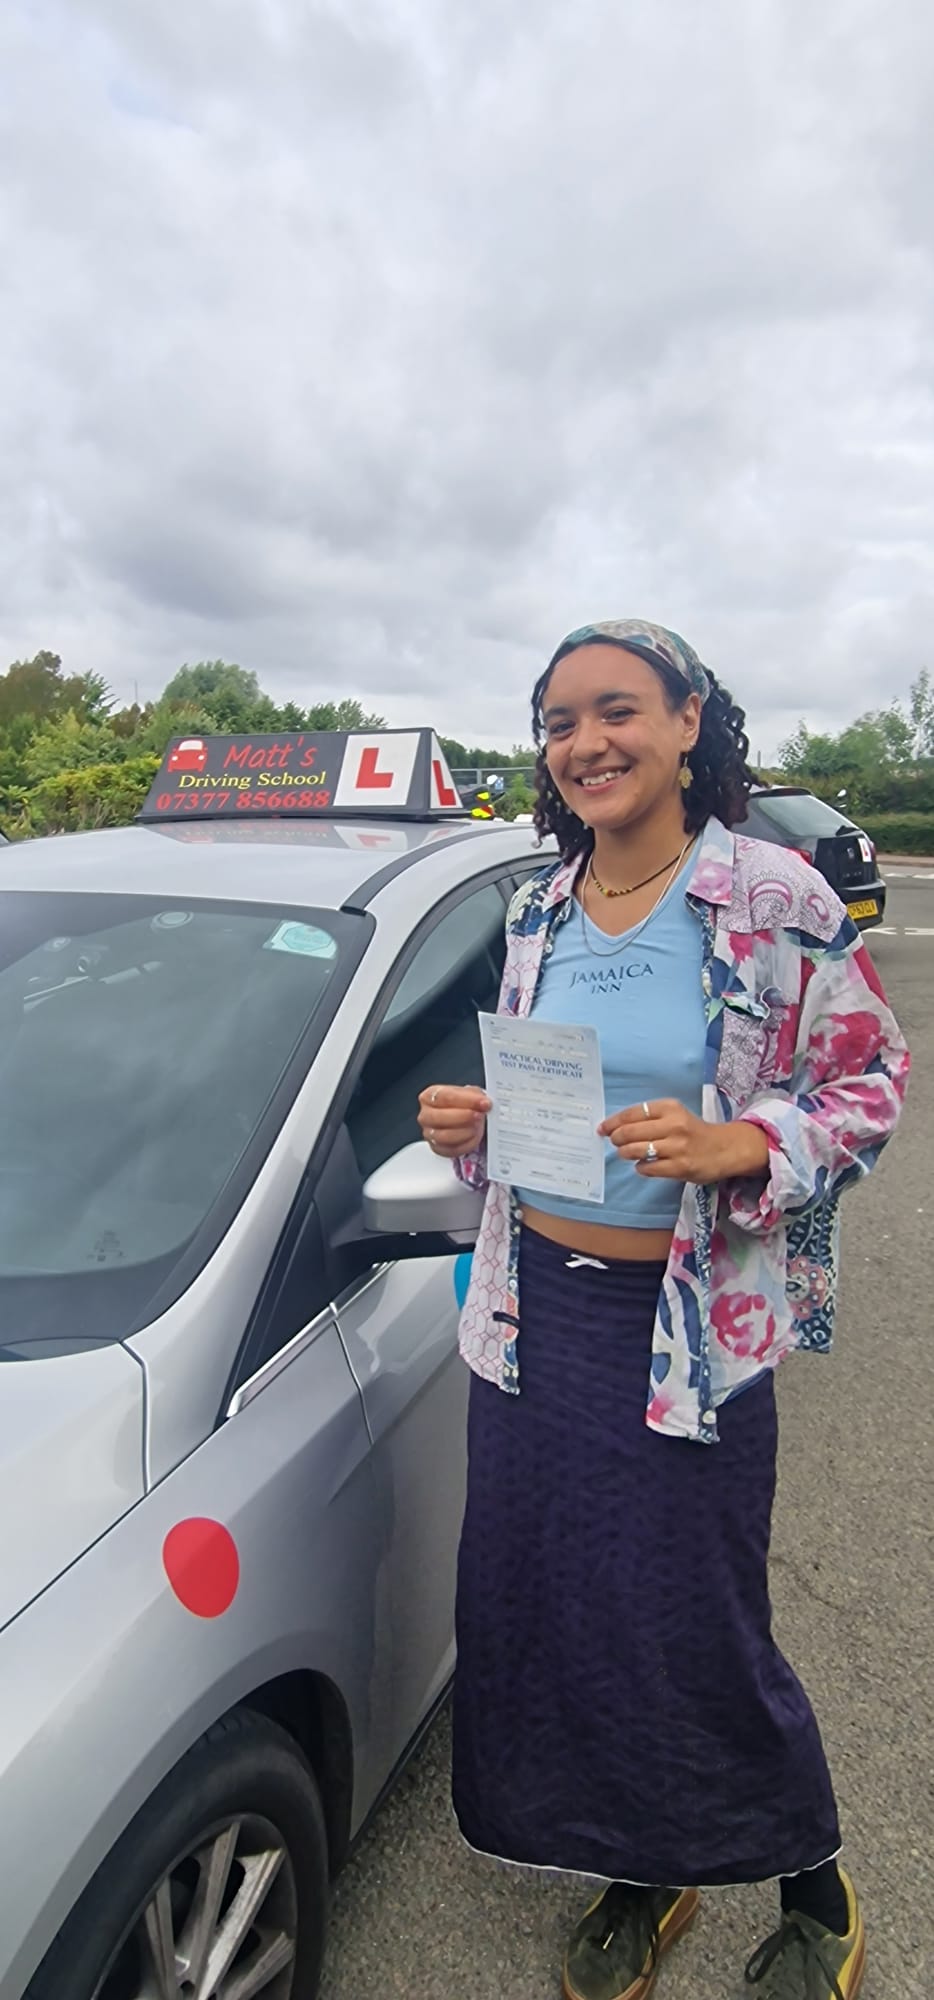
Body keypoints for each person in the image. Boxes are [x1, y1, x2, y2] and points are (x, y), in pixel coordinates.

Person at [417, 619, 908, 2000]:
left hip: (689, 1327)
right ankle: (649, 1865)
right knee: (563, 1605)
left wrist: (750, 1142)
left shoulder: (772, 892)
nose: (585, 742)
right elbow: (546, 1119)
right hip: (527, 1321)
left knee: (694, 1616)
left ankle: (807, 1875)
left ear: (689, 722)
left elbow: (869, 1084)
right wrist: (471, 1127)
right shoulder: (536, 909)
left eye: (616, 708)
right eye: (558, 720)